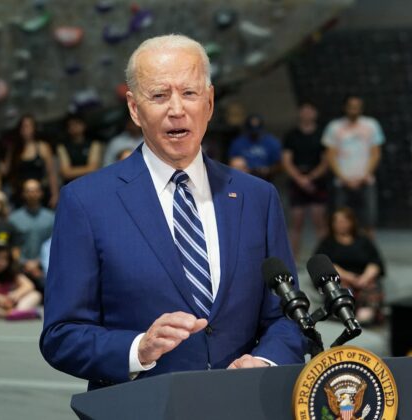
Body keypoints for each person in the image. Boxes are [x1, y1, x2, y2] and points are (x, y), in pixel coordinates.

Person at [40, 35, 306, 390]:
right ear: (135, 109)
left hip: (240, 406)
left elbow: (287, 318)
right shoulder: (86, 202)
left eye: (190, 93)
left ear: (209, 103)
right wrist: (138, 349)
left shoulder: (257, 198)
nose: (177, 109)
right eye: (159, 95)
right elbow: (62, 335)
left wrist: (265, 361)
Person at [323, 95, 384, 235]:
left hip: (366, 181)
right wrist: (343, 177)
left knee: (369, 220)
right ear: (345, 108)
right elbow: (330, 155)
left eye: (357, 107)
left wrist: (365, 175)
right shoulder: (334, 126)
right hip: (342, 182)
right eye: (351, 107)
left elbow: (375, 153)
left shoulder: (371, 125)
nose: (354, 110)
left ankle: (368, 253)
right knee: (340, 221)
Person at [314, 208, 385, 325]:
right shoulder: (327, 243)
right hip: (339, 279)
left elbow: (376, 262)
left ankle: (366, 313)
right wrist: (347, 276)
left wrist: (365, 278)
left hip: (363, 279)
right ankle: (343, 312)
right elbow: (322, 263)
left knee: (371, 286)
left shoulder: (363, 240)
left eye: (344, 221)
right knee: (339, 288)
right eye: (337, 221)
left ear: (351, 222)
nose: (341, 224)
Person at [282, 103, 328, 260]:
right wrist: (300, 179)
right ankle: (293, 259)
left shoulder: (323, 134)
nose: (307, 114)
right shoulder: (291, 135)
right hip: (297, 180)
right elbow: (286, 160)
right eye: (304, 111)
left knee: (319, 221)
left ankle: (325, 258)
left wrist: (311, 178)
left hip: (317, 181)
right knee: (296, 222)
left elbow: (326, 160)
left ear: (315, 114)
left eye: (310, 111)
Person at [2, 115, 59, 208]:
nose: (25, 129)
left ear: (34, 128)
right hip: (20, 192)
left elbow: (51, 173)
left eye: (28, 126)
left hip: (39, 192)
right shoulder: (14, 148)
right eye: (23, 126)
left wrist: (55, 194)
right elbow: (6, 171)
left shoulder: (42, 147)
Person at [8, 179, 54, 292]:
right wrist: (24, 263)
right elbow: (11, 246)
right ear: (23, 194)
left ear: (41, 193)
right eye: (28, 191)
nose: (32, 194)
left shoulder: (52, 218)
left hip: (46, 268)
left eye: (35, 191)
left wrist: (39, 262)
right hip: (20, 268)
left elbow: (54, 245)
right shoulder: (13, 219)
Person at [227, 114, 283, 181]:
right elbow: (231, 163)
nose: (254, 134)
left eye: (256, 132)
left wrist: (268, 170)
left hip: (266, 179)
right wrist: (244, 169)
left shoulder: (271, 142)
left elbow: (280, 165)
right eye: (252, 132)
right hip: (243, 178)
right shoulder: (238, 142)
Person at [56, 113, 103, 183]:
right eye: (71, 125)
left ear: (84, 125)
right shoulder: (62, 146)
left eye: (77, 123)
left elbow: (93, 168)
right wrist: (87, 169)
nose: (74, 127)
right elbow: (66, 173)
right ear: (67, 128)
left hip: (92, 181)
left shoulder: (94, 143)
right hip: (71, 184)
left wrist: (72, 171)